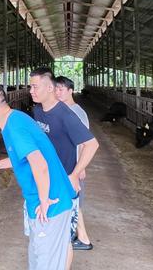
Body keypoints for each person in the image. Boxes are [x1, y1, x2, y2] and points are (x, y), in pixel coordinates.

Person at [0, 83, 76, 270]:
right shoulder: (12, 121)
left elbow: (40, 164)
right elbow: (25, 157)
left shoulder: (15, 126)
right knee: (40, 260)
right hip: (42, 202)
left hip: (50, 206)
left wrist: (44, 200)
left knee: (46, 264)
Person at [29, 68, 99, 269]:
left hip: (64, 183)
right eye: (30, 86)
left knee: (64, 236)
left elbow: (92, 144)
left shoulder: (65, 114)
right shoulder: (38, 111)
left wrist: (75, 173)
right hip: (46, 181)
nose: (31, 90)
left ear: (49, 88)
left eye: (35, 86)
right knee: (46, 232)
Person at [54, 76, 93, 250]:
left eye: (61, 89)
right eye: (56, 89)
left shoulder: (77, 112)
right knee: (72, 200)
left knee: (73, 201)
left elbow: (86, 143)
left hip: (73, 167)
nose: (58, 93)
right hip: (67, 165)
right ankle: (80, 237)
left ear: (71, 91)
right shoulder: (63, 110)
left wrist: (80, 169)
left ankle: (83, 238)